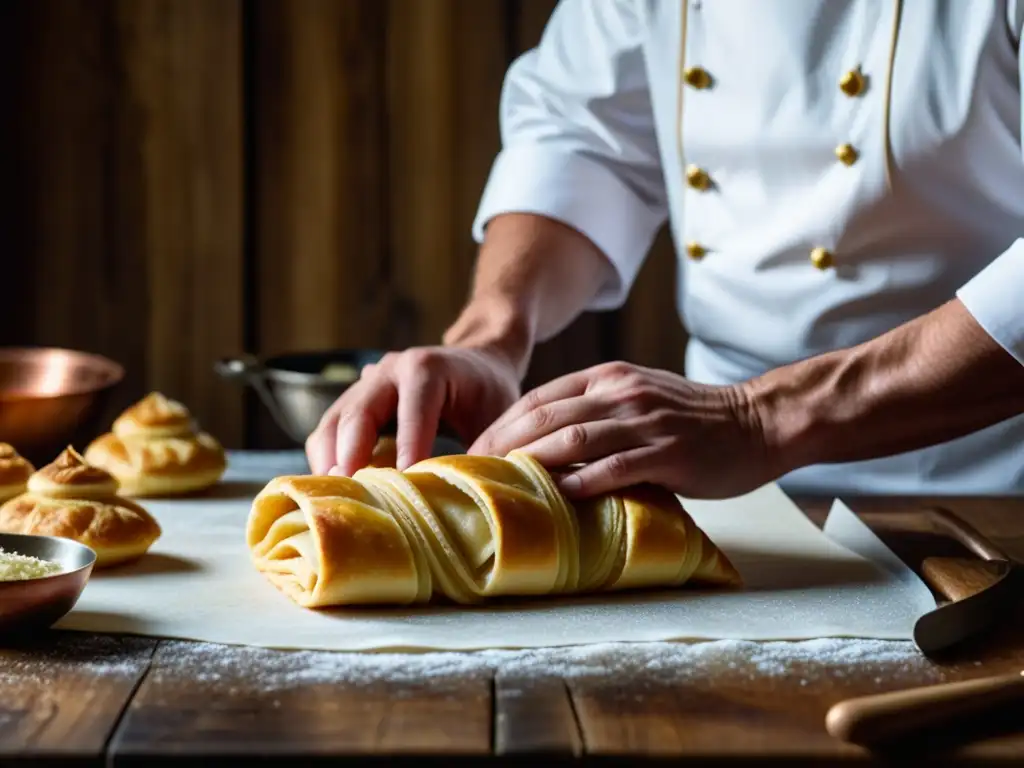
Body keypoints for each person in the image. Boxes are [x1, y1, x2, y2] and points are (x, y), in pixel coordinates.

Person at [307, 0, 1024, 500]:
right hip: (722, 492)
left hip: (986, 489)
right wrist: (491, 337)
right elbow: (586, 140)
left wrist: (761, 418)